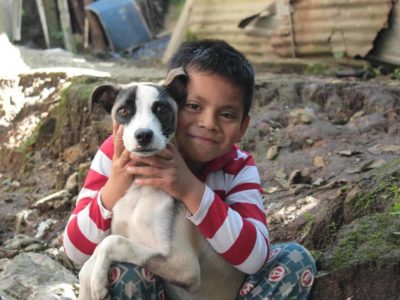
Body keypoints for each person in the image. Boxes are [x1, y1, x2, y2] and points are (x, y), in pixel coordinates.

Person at [63, 39, 316, 300]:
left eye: (227, 114)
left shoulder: (238, 167)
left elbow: (254, 259)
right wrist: (114, 186)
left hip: (216, 289)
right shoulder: (116, 153)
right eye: (194, 107)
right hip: (152, 290)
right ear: (169, 100)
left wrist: (191, 189)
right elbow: (74, 250)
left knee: (295, 259)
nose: (208, 123)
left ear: (243, 126)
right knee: (119, 267)